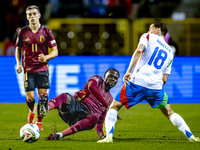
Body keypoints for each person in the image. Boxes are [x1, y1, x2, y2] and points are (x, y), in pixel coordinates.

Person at [97, 21, 200, 143]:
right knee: (169, 112)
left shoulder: (147, 36)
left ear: (158, 30)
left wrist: (129, 71)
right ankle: (191, 136)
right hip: (156, 87)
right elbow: (165, 78)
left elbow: (139, 50)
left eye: (150, 28)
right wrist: (153, 85)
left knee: (114, 106)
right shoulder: (169, 52)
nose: (148, 31)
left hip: (137, 82)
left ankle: (109, 137)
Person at [38, 68, 120, 140]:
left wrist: (102, 136)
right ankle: (46, 108)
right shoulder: (98, 79)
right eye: (110, 76)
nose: (112, 79)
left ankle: (59, 135)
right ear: (105, 76)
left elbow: (100, 122)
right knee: (65, 96)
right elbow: (91, 87)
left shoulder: (110, 100)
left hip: (84, 118)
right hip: (76, 106)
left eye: (115, 78)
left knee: (95, 117)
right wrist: (106, 105)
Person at [15, 5, 58, 130]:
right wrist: (18, 64)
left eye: (34, 14)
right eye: (29, 14)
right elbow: (18, 49)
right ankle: (32, 110)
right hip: (29, 69)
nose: (32, 16)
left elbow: (55, 51)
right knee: (30, 98)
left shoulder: (46, 31)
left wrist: (46, 57)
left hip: (42, 69)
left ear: (39, 15)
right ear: (27, 17)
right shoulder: (22, 32)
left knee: (43, 98)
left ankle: (39, 122)